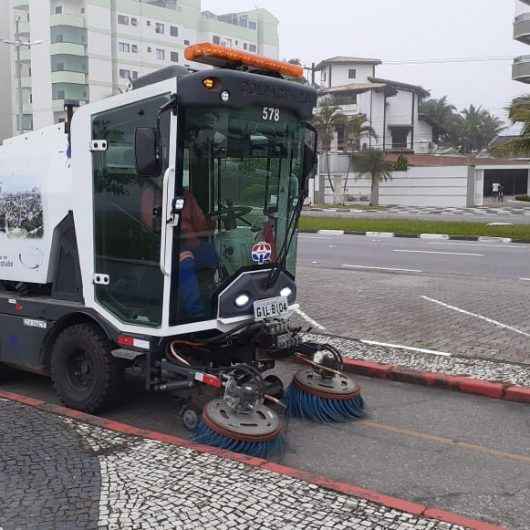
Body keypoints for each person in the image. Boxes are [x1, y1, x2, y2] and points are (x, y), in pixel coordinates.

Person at [178, 190, 218, 318]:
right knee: (186, 261)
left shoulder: (187, 196)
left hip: (191, 242)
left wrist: (210, 223)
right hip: (166, 244)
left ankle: (214, 298)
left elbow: (200, 224)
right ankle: (196, 312)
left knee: (211, 252)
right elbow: (149, 226)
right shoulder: (152, 193)